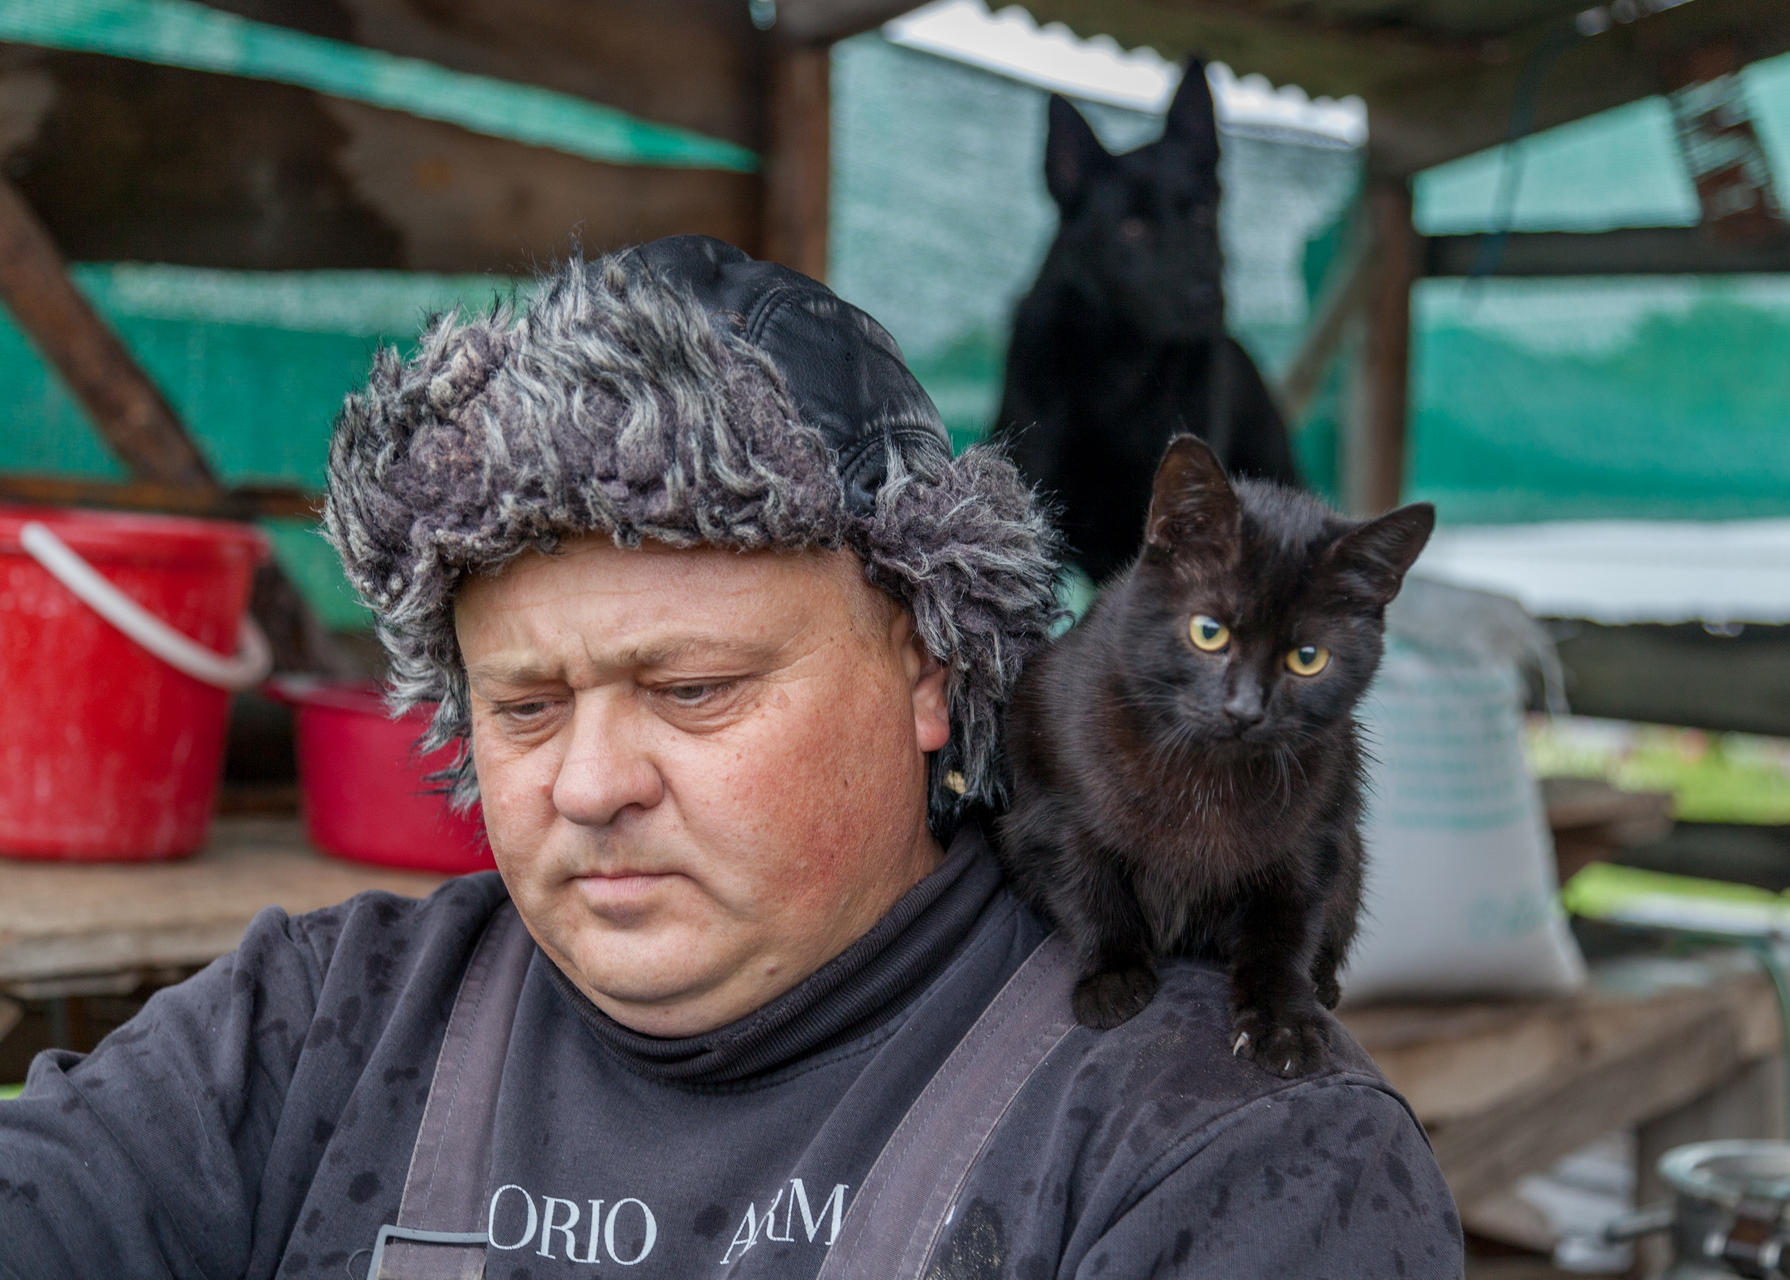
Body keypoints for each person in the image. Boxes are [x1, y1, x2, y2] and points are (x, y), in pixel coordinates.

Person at [0, 237, 1462, 1279]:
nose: (589, 783)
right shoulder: (309, 1033)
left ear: (932, 671)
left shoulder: (1228, 1161)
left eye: (692, 687)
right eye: (522, 706)